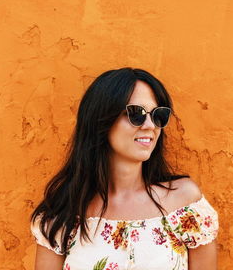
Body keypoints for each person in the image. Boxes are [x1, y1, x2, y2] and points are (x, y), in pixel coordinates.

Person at [30, 67, 219, 270]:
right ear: (101, 120)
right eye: (136, 114)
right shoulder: (63, 214)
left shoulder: (184, 205)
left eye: (158, 115)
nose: (149, 125)